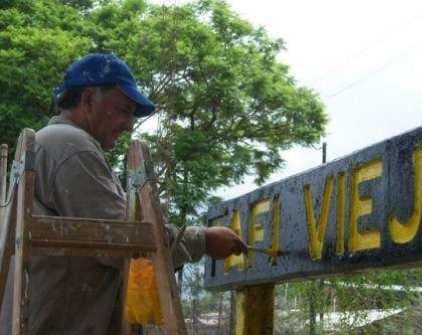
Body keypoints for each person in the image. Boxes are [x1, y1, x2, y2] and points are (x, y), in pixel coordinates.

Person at [0, 53, 247, 334]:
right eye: (123, 110)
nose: (129, 124)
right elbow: (126, 243)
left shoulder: (51, 144)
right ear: (89, 99)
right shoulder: (71, 146)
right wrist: (202, 240)